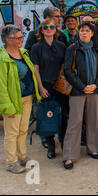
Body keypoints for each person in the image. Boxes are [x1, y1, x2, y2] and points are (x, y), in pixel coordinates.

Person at [0, 25, 40, 174]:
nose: (21, 40)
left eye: (21, 37)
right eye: (17, 38)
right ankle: (11, 162)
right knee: (12, 132)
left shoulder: (23, 53)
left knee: (23, 129)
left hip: (26, 98)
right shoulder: (0, 59)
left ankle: (22, 156)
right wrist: (7, 106)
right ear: (7, 40)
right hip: (13, 101)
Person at [62, 22, 98, 169]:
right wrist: (82, 86)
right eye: (81, 31)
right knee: (75, 121)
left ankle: (93, 148)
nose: (84, 33)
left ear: (92, 33)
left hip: (95, 90)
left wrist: (95, 85)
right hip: (78, 91)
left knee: (93, 120)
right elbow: (67, 71)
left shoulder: (95, 50)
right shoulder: (72, 50)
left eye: (87, 31)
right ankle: (69, 155)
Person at [30, 18, 68, 159]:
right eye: (46, 28)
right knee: (48, 116)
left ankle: (64, 143)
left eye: (52, 27)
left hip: (60, 85)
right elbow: (35, 69)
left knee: (63, 115)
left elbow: (66, 66)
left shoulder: (61, 46)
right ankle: (51, 145)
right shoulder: (36, 47)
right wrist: (40, 87)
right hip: (45, 85)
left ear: (56, 29)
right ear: (41, 30)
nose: (49, 30)